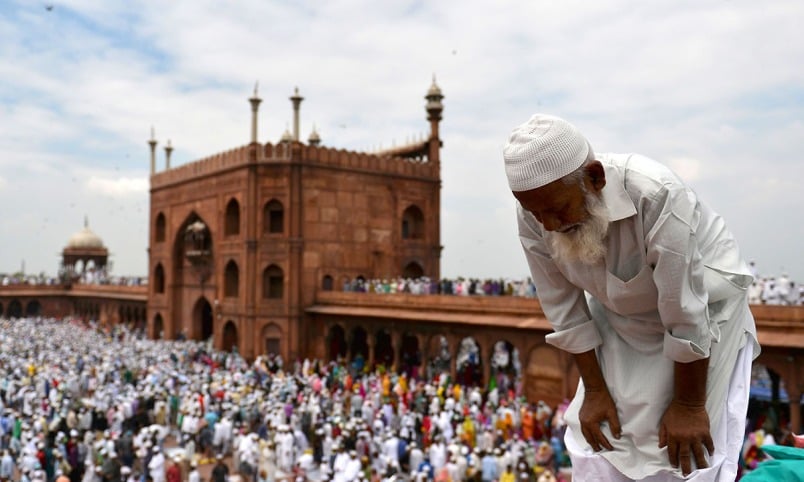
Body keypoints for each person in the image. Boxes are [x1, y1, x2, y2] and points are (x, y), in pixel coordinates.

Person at [502, 114, 760, 481]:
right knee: (593, 440)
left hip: (705, 316)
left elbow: (685, 309)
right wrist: (594, 390)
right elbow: (562, 307)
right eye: (535, 212)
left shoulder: (656, 194)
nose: (547, 225)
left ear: (595, 178)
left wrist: (689, 404)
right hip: (619, 314)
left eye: (557, 211)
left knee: (682, 457)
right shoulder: (537, 210)